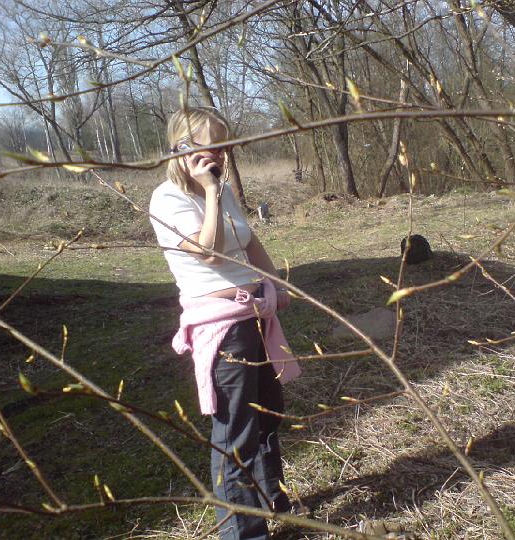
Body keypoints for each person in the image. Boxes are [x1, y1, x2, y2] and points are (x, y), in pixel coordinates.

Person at [149, 107, 301, 540]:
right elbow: (208, 252)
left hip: (255, 313)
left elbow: (249, 241)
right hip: (222, 326)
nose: (221, 152)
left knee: (268, 416)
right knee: (236, 432)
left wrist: (277, 285)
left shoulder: (226, 190)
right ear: (182, 148)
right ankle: (243, 533)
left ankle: (276, 500)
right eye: (210, 144)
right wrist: (211, 189)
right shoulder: (169, 198)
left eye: (224, 143)